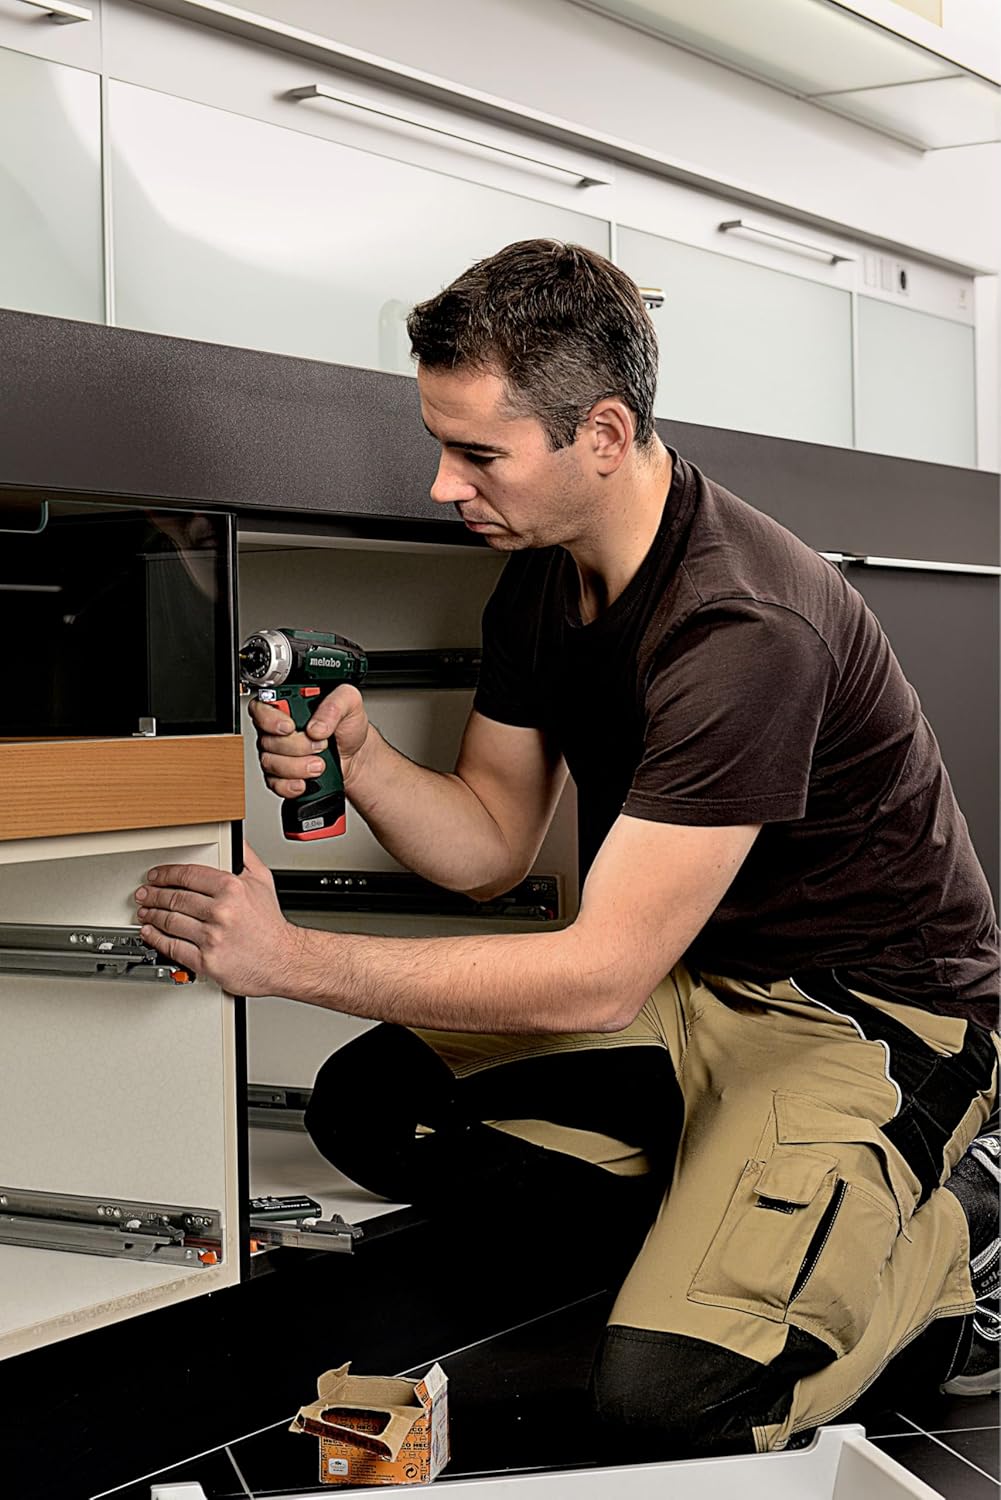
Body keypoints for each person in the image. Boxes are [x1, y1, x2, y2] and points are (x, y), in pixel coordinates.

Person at [135, 241, 1000, 1456]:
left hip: (866, 1018)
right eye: (441, 445)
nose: (443, 485)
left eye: (478, 454)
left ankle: (955, 1249)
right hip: (689, 986)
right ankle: (742, 1213)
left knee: (673, 1401)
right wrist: (364, 760)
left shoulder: (741, 624)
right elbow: (491, 844)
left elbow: (596, 976)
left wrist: (289, 960)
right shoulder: (543, 581)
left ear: (601, 433)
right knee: (371, 1108)